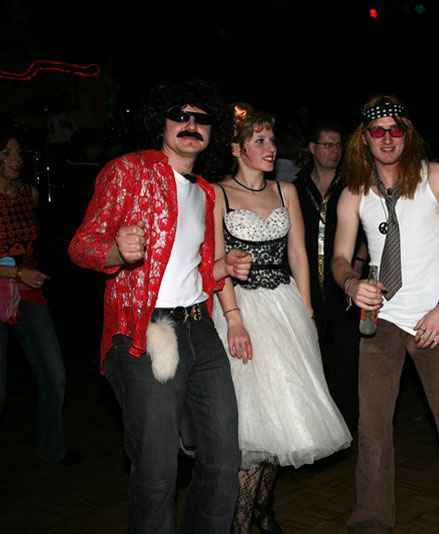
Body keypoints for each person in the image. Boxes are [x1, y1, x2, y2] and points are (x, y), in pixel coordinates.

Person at [69, 79, 252, 533]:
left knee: (223, 459)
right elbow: (81, 246)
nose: (191, 125)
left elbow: (196, 270)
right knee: (156, 472)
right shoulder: (128, 171)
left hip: (200, 330)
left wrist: (223, 265)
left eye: (201, 119)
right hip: (145, 333)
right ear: (161, 122)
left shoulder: (205, 192)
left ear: (212, 129)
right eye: (180, 115)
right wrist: (116, 250)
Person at [331, 95, 439, 533]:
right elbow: (340, 259)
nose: (387, 138)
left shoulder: (437, 176)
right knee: (373, 429)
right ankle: (371, 522)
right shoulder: (354, 192)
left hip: (435, 319)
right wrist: (351, 284)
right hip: (379, 321)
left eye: (395, 129)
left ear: (408, 134)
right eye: (377, 131)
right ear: (364, 139)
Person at [211, 104, 351, 533]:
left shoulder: (286, 190)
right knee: (252, 423)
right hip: (241, 309)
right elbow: (215, 263)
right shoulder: (217, 194)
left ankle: (263, 510)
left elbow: (299, 256)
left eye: (272, 140)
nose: (270, 148)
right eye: (259, 141)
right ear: (237, 149)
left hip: (284, 305)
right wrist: (234, 320)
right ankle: (240, 523)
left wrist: (307, 312)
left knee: (285, 417)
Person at [0, 130, 80, 465]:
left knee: (54, 376)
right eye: (6, 152)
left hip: (30, 293)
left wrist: (25, 274)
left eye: (19, 152)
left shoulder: (28, 194)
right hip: (4, 289)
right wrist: (16, 273)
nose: (16, 159)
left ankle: (51, 449)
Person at [295, 119, 364, 433]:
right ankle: (316, 425)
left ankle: (350, 424)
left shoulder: (352, 185)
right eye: (327, 145)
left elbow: (370, 226)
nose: (334, 151)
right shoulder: (296, 187)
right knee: (312, 355)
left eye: (338, 145)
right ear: (313, 148)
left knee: (349, 355)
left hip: (343, 284)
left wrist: (359, 259)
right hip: (307, 286)